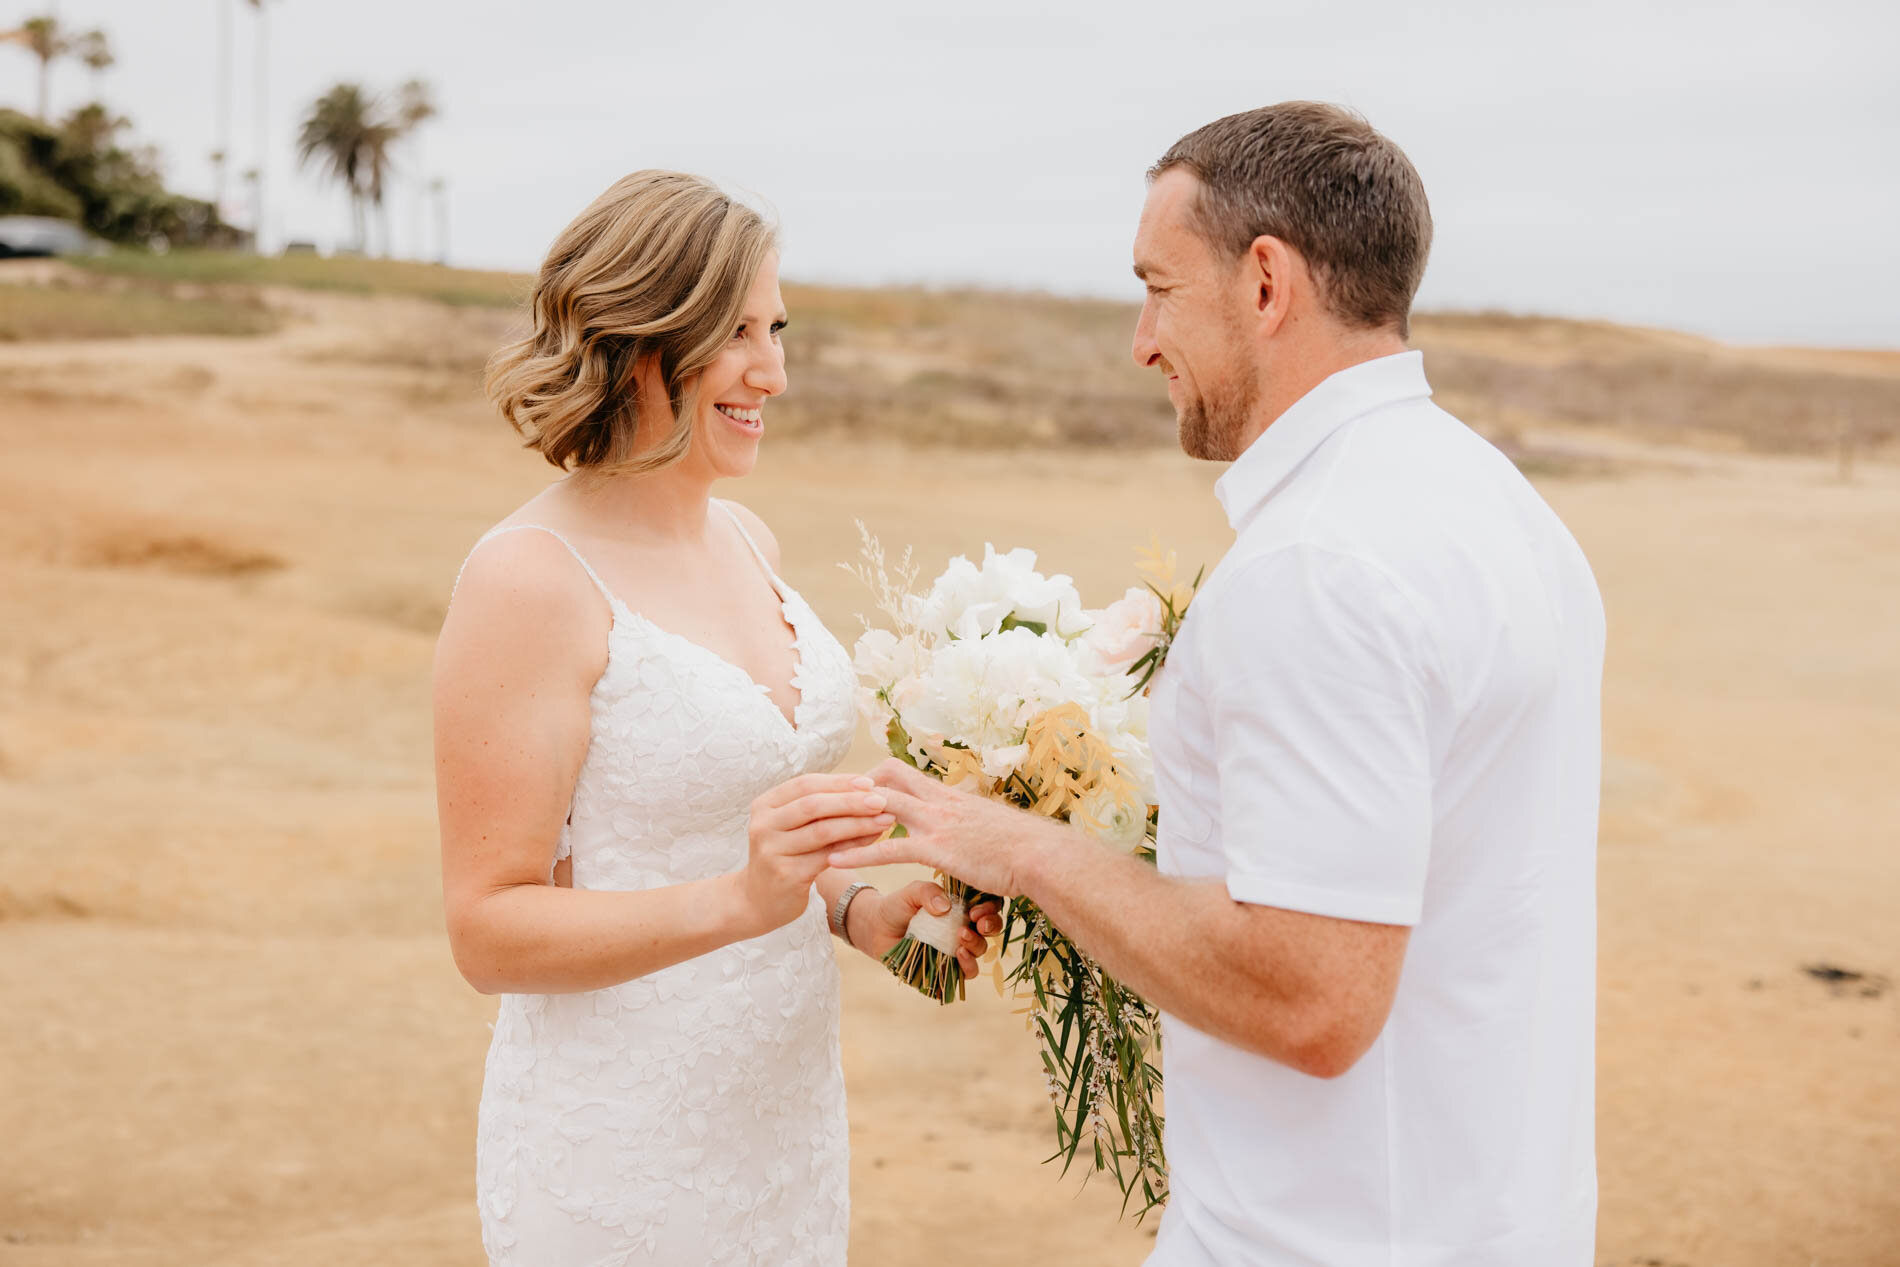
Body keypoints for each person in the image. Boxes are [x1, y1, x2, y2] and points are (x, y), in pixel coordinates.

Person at [830, 103, 1606, 1266]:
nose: (1142, 342)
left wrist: (1026, 848)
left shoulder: (1315, 567)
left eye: (1157, 287)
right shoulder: (1503, 510)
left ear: (1263, 283)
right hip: (1496, 1219)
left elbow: (1310, 998)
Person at [432, 170, 996, 1267]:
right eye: (733, 332)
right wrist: (743, 900)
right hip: (618, 1146)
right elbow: (487, 929)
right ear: (637, 337)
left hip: (778, 1131)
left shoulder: (747, 540)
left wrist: (853, 911)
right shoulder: (529, 582)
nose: (771, 372)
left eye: (775, 329)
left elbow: (733, 814)